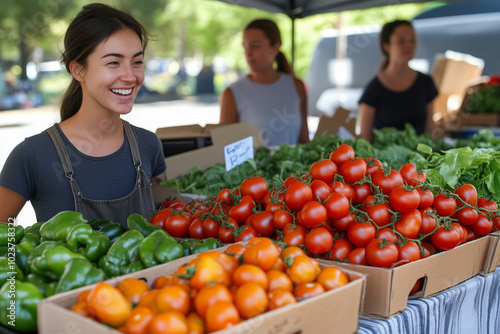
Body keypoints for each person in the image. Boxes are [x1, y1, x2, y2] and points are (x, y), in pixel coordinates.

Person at [0, 3, 166, 227]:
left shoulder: (149, 146)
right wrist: (13, 261)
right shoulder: (32, 156)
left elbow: (167, 223)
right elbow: (4, 237)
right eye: (114, 63)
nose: (130, 76)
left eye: (137, 62)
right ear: (78, 69)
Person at [219, 19, 309, 146]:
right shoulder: (232, 93)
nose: (248, 53)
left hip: (295, 166)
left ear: (275, 48)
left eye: (255, 46)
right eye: (245, 46)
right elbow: (224, 148)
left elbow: (304, 141)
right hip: (252, 167)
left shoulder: (296, 87)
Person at [357, 19, 438, 142]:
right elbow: (365, 138)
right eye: (401, 41)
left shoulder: (426, 82)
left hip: (420, 158)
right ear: (387, 46)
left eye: (412, 40)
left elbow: (430, 131)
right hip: (385, 160)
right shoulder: (374, 89)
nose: (408, 45)